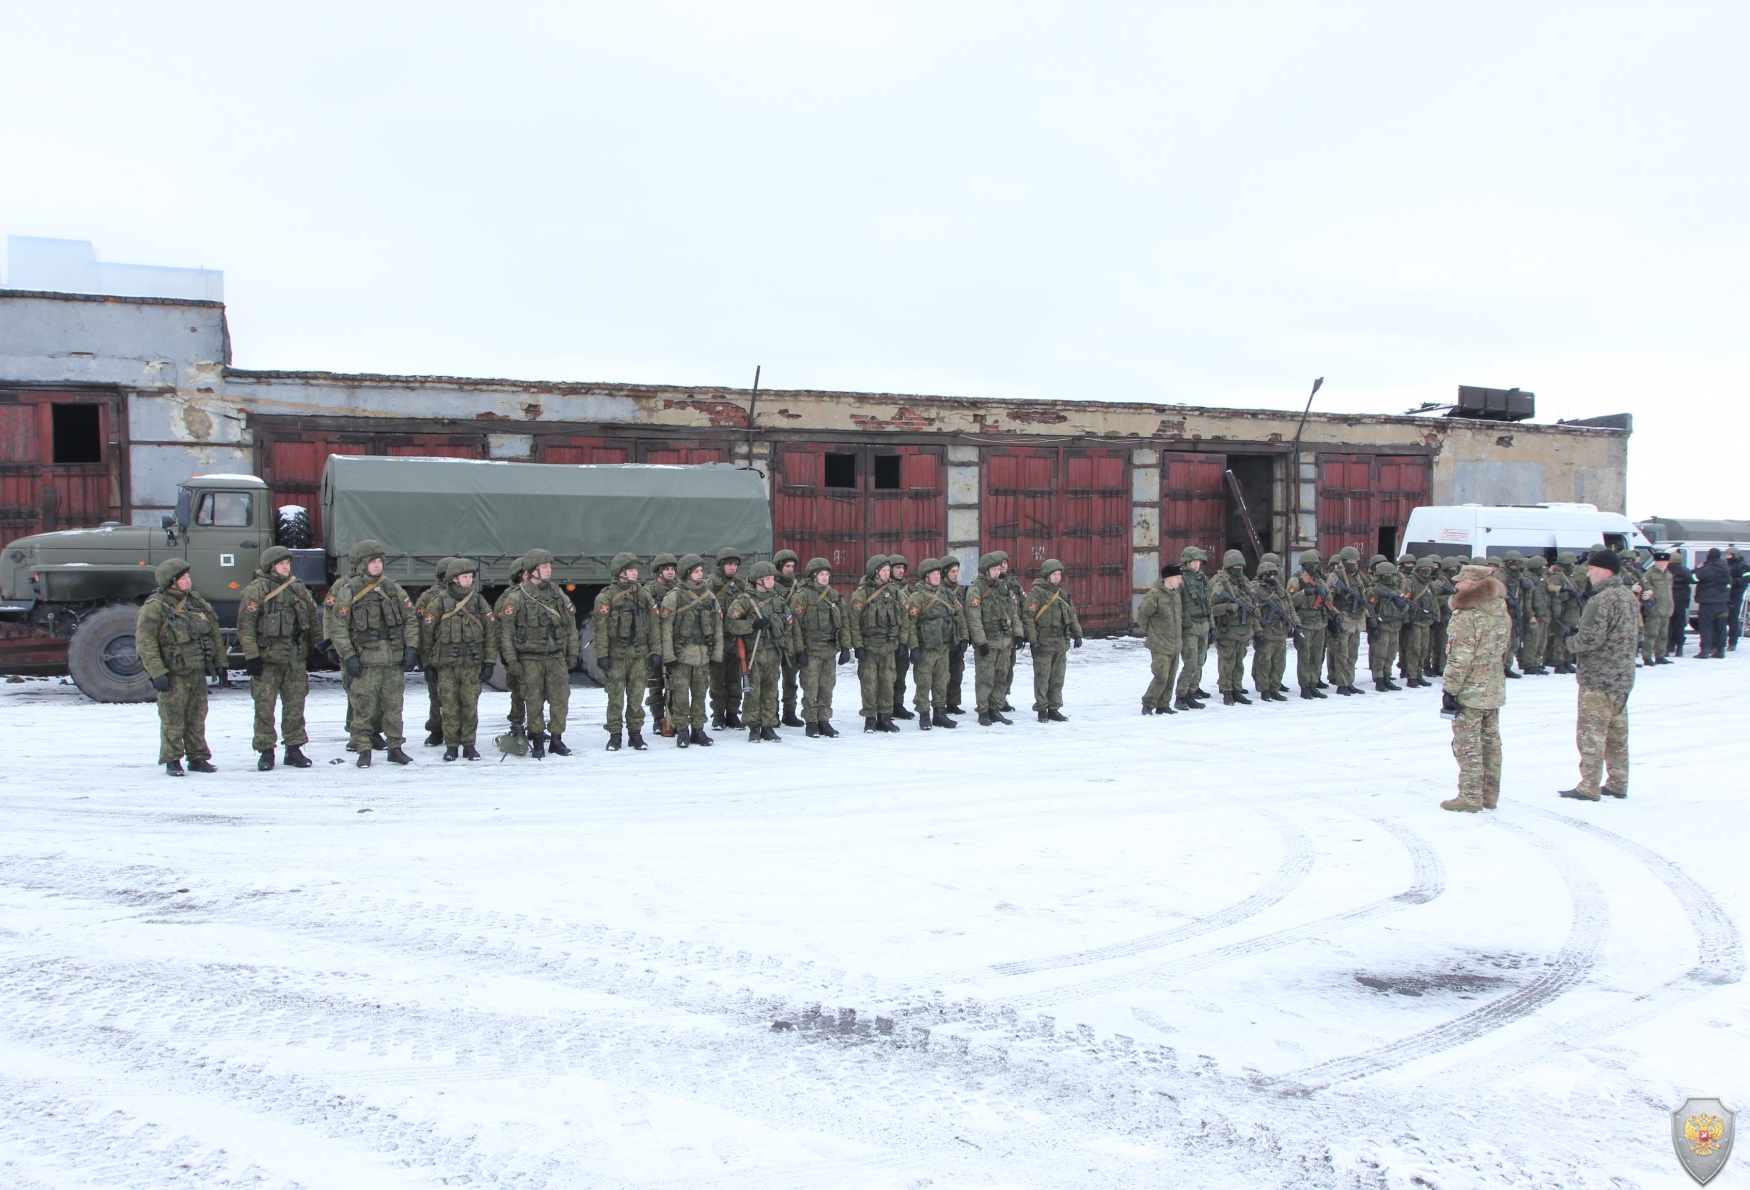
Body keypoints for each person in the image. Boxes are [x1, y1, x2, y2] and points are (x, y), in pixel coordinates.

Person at [327, 539, 420, 767]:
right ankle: (363, 749)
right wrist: (347, 656)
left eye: (380, 561)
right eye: (372, 562)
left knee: (393, 707)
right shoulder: (349, 590)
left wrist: (411, 648)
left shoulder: (392, 588)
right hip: (366, 660)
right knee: (363, 707)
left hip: (392, 660)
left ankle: (395, 747)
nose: (378, 566)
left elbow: (410, 619)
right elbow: (338, 626)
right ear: (361, 564)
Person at [1561, 549, 1642, 801]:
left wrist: (1570, 642)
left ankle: (1589, 785)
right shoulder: (1629, 597)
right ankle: (1618, 781)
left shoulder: (1601, 599)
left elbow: (1590, 639)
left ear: (1606, 570)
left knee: (1591, 732)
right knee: (1617, 733)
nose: (1589, 573)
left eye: (1592, 569)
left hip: (1598, 677)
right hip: (1622, 676)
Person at [136, 558, 225, 776]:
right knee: (172, 718)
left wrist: (221, 663)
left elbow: (213, 632)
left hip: (196, 670)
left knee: (197, 716)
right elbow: (145, 642)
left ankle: (197, 757)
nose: (188, 580)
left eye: (188, 576)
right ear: (170, 582)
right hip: (173, 673)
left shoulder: (196, 602)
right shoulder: (155, 607)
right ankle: (173, 760)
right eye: (182, 577)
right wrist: (157, 672)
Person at [237, 544, 318, 771]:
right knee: (264, 707)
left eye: (288, 563)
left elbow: (312, 618)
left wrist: (317, 646)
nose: (286, 567)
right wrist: (252, 657)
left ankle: (294, 749)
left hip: (294, 658)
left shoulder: (298, 588)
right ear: (271, 566)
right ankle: (266, 751)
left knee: (295, 705)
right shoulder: (256, 590)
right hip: (267, 660)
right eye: (282, 563)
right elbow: (246, 627)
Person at [1439, 563, 1510, 813]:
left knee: (1467, 745)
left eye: (1460, 582)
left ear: (1470, 585)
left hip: (1470, 690)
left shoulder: (1466, 616)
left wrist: (1450, 690)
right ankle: (1490, 795)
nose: (1456, 585)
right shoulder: (1500, 609)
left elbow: (1459, 658)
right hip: (1493, 686)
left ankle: (1470, 797)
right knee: (1491, 744)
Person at [498, 547, 578, 759]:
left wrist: (572, 652)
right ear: (533, 570)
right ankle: (537, 737)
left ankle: (556, 738)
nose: (548, 570)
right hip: (529, 657)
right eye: (544, 567)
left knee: (560, 697)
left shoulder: (556, 593)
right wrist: (511, 660)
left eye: (549, 566)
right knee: (533, 700)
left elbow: (570, 623)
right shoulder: (517, 597)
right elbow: (506, 632)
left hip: (555, 656)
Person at [418, 557, 496, 761]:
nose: (468, 581)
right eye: (464, 577)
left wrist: (489, 662)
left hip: (471, 664)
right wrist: (427, 664)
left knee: (470, 706)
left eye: (470, 577)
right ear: (453, 579)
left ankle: (469, 744)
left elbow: (490, 633)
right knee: (450, 707)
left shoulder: (478, 602)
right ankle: (451, 745)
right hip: (446, 666)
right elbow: (426, 636)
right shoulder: (439, 602)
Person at [594, 552, 658, 752]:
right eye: (630, 570)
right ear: (620, 573)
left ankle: (635, 734)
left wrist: (656, 651)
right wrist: (602, 655)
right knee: (615, 698)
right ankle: (615, 735)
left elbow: (654, 625)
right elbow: (600, 629)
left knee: (636, 697)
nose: (635, 573)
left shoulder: (644, 595)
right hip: (616, 655)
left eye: (635, 569)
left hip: (639, 655)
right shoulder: (606, 597)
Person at [725, 561, 795, 742]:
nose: (772, 582)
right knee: (753, 690)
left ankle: (768, 724)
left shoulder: (778, 600)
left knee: (771, 691)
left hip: (773, 651)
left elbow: (788, 622)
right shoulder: (744, 600)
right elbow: (730, 623)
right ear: (758, 580)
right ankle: (754, 726)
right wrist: (751, 625)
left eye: (772, 578)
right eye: (768, 579)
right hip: (754, 652)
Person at [660, 554, 723, 747]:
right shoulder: (674, 597)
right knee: (680, 694)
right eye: (696, 571)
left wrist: (716, 654)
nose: (700, 574)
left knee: (700, 693)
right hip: (682, 655)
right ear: (687, 573)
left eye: (701, 571)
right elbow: (666, 628)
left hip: (703, 654)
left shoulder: (709, 596)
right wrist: (668, 655)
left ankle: (698, 729)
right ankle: (682, 730)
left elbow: (718, 626)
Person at [903, 558, 967, 730]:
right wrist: (914, 647)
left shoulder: (947, 594)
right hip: (926, 649)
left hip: (944, 646)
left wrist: (963, 638)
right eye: (933, 574)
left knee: (942, 680)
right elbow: (910, 624)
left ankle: (939, 713)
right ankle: (924, 714)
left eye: (939, 573)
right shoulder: (917, 597)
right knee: (923, 682)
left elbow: (959, 617)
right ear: (926, 577)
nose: (937, 577)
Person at [791, 556, 850, 737]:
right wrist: (799, 650)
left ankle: (824, 720)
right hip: (811, 651)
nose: (825, 578)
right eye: (821, 574)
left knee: (827, 687)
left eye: (827, 574)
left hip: (829, 650)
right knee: (810, 687)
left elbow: (844, 621)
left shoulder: (833, 595)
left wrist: (846, 647)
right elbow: (795, 627)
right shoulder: (801, 596)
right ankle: (811, 721)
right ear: (812, 576)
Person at [850, 554, 905, 733]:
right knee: (869, 683)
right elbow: (853, 623)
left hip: (889, 647)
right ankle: (870, 718)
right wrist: (857, 646)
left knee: (888, 682)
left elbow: (905, 620)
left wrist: (902, 642)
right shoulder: (861, 594)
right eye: (884, 571)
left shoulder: (895, 592)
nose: (888, 574)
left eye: (889, 570)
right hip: (869, 647)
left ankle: (885, 717)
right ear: (875, 573)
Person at [1022, 558, 1082, 721]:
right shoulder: (1037, 593)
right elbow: (1028, 618)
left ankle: (1054, 707)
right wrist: (1033, 640)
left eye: (1059, 574)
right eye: (1054, 574)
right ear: (1047, 575)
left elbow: (1071, 614)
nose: (1057, 577)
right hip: (1044, 642)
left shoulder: (1062, 593)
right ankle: (1042, 708)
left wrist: (1077, 634)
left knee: (1057, 677)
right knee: (1042, 677)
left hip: (1061, 642)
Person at [967, 552, 1017, 726]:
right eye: (994, 569)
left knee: (1001, 676)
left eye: (998, 569)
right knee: (985, 677)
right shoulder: (976, 589)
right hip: (988, 641)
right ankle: (983, 710)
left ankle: (995, 708)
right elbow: (974, 618)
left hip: (1004, 641)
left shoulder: (1003, 588)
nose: (997, 572)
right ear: (986, 570)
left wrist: (1017, 634)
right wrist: (981, 641)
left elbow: (1013, 612)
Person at [414, 558, 460, 747]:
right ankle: (436, 729)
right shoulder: (428, 597)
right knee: (437, 696)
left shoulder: (465, 595)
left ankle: (459, 732)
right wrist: (423, 658)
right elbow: (419, 626)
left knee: (461, 697)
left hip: (460, 655)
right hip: (437, 655)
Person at [707, 547, 748, 730]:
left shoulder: (741, 584)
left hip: (736, 638)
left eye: (735, 565)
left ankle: (732, 713)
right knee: (717, 680)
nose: (733, 568)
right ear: (721, 565)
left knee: (735, 679)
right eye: (729, 564)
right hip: (718, 639)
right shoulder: (711, 584)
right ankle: (718, 715)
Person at [1208, 549, 1257, 706]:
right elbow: (1210, 608)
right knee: (1227, 663)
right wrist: (1228, 607)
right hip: (1227, 630)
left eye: (1240, 566)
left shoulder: (1245, 582)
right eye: (1235, 566)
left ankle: (1237, 690)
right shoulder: (1219, 583)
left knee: (1239, 663)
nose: (1239, 569)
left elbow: (1252, 600)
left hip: (1242, 630)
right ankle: (1227, 692)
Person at [1136, 562, 1183, 715]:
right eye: (1178, 577)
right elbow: (1143, 616)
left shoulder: (1176, 594)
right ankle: (1148, 704)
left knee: (1171, 676)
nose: (1180, 581)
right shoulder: (1155, 595)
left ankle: (1163, 704)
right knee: (1161, 676)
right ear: (1169, 578)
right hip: (1160, 644)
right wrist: (1153, 632)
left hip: (1175, 644)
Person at [1324, 546, 1368, 696]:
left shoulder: (1357, 576)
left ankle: (1350, 682)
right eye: (1350, 561)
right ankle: (1341, 683)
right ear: (1343, 561)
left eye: (1355, 561)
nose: (1353, 563)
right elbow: (1328, 599)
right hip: (1343, 619)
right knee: (1342, 654)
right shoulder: (1335, 577)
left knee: (1353, 654)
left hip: (1356, 620)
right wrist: (1334, 616)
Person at [642, 553, 680, 728]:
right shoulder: (648, 591)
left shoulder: (679, 589)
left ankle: (672, 717)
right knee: (656, 683)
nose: (671, 572)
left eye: (673, 569)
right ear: (659, 572)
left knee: (675, 683)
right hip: (656, 642)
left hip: (674, 642)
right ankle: (658, 719)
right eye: (667, 569)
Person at [1250, 555, 1294, 702]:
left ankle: (1275, 688)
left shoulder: (1280, 589)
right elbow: (1253, 613)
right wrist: (1258, 632)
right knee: (1264, 663)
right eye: (1269, 574)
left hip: (1280, 632)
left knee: (1279, 663)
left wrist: (1295, 624)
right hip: (1266, 632)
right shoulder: (1255, 590)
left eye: (1274, 573)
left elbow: (1290, 608)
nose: (1272, 576)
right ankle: (1264, 690)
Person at [1285, 550, 1329, 700]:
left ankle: (1313, 684)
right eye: (1310, 564)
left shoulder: (1319, 579)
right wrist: (1303, 592)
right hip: (1304, 623)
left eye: (1316, 564)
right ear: (1304, 565)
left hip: (1319, 623)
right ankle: (1305, 687)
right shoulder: (1296, 580)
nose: (1314, 566)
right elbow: (1288, 602)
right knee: (1305, 657)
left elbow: (1327, 598)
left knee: (1317, 657)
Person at [1174, 547, 1214, 709]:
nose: (1197, 565)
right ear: (1188, 562)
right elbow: (1178, 605)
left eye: (1199, 562)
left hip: (1203, 624)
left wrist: (1212, 626)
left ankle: (1191, 692)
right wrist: (1185, 623)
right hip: (1190, 627)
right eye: (1194, 562)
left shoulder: (1202, 578)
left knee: (1200, 661)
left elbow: (1207, 604)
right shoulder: (1181, 579)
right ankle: (1181, 696)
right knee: (1190, 663)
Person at [494, 556, 529, 739]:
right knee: (517, 692)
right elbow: (500, 629)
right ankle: (517, 725)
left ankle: (535, 727)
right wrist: (507, 657)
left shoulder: (539, 594)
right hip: (515, 653)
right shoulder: (508, 597)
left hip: (534, 652)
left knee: (536, 693)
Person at [772, 550, 807, 728]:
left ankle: (789, 712)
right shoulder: (770, 584)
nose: (790, 569)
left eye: (792, 566)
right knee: (771, 679)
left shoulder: (798, 587)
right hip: (774, 638)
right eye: (787, 566)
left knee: (790, 679)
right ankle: (772, 713)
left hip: (792, 638)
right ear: (779, 567)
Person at [1364, 559, 1407, 692]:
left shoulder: (1396, 589)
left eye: (1392, 575)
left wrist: (1402, 605)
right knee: (1380, 654)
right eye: (1387, 575)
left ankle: (1387, 677)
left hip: (1395, 625)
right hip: (1382, 627)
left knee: (1391, 654)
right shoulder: (1374, 590)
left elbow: (1405, 606)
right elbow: (1370, 609)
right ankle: (1379, 679)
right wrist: (1373, 627)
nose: (1390, 577)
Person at [1398, 556, 1439, 687]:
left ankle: (1418, 674)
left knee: (1424, 650)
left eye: (1429, 568)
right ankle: (1411, 676)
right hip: (1414, 621)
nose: (1426, 570)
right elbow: (1403, 602)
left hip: (1426, 621)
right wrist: (1406, 620)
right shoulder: (1409, 582)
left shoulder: (1430, 583)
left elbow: (1434, 602)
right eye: (1424, 568)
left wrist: (1436, 618)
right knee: (1413, 649)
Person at [886, 553, 917, 719]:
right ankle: (885, 706)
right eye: (897, 567)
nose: (901, 571)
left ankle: (897, 704)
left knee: (900, 674)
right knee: (887, 675)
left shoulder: (907, 589)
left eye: (903, 568)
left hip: (903, 638)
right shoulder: (885, 588)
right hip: (888, 639)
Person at [939, 555, 970, 714]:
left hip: (957, 637)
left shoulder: (962, 591)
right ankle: (940, 703)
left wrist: (966, 637)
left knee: (957, 671)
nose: (955, 574)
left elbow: (966, 615)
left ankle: (953, 702)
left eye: (957, 571)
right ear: (944, 573)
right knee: (942, 673)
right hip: (942, 638)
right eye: (952, 571)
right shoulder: (938, 591)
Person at [1546, 552, 1584, 673]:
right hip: (1563, 612)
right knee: (1561, 638)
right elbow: (1553, 596)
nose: (1573, 565)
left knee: (1570, 636)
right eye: (1571, 563)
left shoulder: (1569, 576)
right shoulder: (1557, 577)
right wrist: (1567, 595)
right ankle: (1559, 662)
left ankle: (1567, 660)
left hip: (1572, 612)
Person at [1693, 547, 1732, 659]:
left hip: (1707, 603)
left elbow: (1693, 578)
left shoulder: (1707, 569)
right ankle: (1721, 651)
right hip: (1722, 602)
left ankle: (1705, 650)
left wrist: (1697, 569)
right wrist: (1725, 593)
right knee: (1721, 627)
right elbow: (1729, 583)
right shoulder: (1726, 568)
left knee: (1706, 627)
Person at [1640, 551, 1675, 666]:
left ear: (1668, 563)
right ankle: (1647, 656)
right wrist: (1649, 591)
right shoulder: (1649, 574)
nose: (1661, 564)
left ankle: (1660, 655)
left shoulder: (1668, 574)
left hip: (1666, 609)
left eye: (1664, 562)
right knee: (1651, 634)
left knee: (1663, 634)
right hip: (1654, 608)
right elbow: (1644, 585)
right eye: (1659, 561)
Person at [1430, 556, 1460, 676]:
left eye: (1455, 567)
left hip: (1453, 615)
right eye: (1451, 567)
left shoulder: (1456, 582)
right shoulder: (1440, 583)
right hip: (1443, 616)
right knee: (1442, 644)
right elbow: (1434, 601)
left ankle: (1442, 666)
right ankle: (1440, 667)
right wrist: (1448, 597)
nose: (1454, 569)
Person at [1666, 552, 1693, 658]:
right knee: (1680, 625)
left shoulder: (1665, 571)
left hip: (1668, 601)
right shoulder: (1686, 571)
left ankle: (1669, 646)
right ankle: (1679, 649)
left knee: (1668, 624)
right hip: (1681, 602)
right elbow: (1691, 581)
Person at [1726, 547, 1749, 650]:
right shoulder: (1727, 564)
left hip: (1736, 594)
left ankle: (1733, 642)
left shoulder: (1743, 565)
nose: (1727, 556)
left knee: (1733, 618)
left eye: (1729, 555)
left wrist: (1735, 582)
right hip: (1726, 594)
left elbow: (1747, 578)